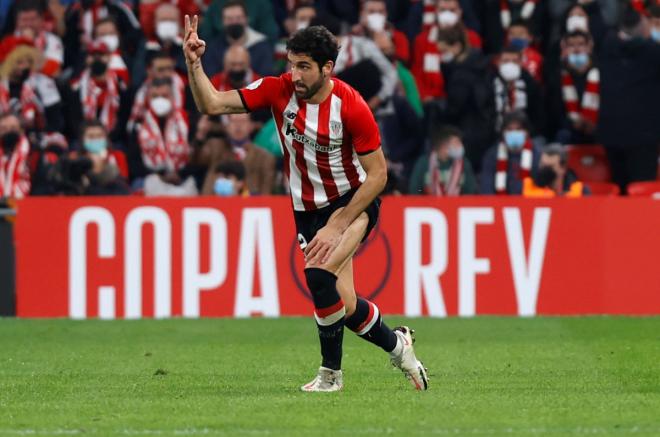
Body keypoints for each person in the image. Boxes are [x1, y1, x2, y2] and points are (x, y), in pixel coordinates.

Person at [184, 16, 429, 392]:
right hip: (307, 210)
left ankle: (331, 375)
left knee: (317, 275)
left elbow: (378, 175)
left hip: (353, 202)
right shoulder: (276, 90)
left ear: (327, 68)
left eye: (304, 67)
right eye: (291, 64)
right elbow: (212, 104)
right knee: (344, 307)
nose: (294, 75)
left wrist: (339, 222)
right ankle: (400, 347)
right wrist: (194, 64)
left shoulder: (352, 107)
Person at [598, 7, 660, 193]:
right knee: (641, 190)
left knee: (620, 188)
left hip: (612, 133)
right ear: (642, 27)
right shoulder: (653, 53)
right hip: (643, 136)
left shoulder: (607, 48)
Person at [546, 30, 599, 144]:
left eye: (581, 44)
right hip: (569, 130)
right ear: (565, 50)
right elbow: (554, 112)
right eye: (571, 45)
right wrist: (573, 124)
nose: (576, 49)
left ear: (589, 48)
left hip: (597, 128)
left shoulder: (601, 75)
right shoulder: (557, 78)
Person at [480, 110, 541, 195]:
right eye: (510, 129)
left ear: (527, 132)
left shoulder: (537, 155)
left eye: (518, 129)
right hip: (499, 205)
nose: (514, 133)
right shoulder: (492, 155)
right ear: (503, 133)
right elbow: (486, 188)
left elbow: (541, 188)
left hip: (530, 204)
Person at [408, 125, 478, 195]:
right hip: (428, 204)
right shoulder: (424, 162)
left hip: (458, 204)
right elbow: (415, 189)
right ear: (444, 146)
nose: (461, 146)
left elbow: (470, 191)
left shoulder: (464, 163)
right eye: (457, 142)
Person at [522, 143, 589, 197]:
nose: (546, 170)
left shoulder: (580, 191)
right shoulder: (528, 186)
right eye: (543, 165)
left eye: (550, 166)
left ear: (563, 168)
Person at [0, 113, 31, 199]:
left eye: (13, 128)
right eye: (3, 128)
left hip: (28, 203)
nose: (8, 131)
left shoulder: (33, 153)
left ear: (21, 131)